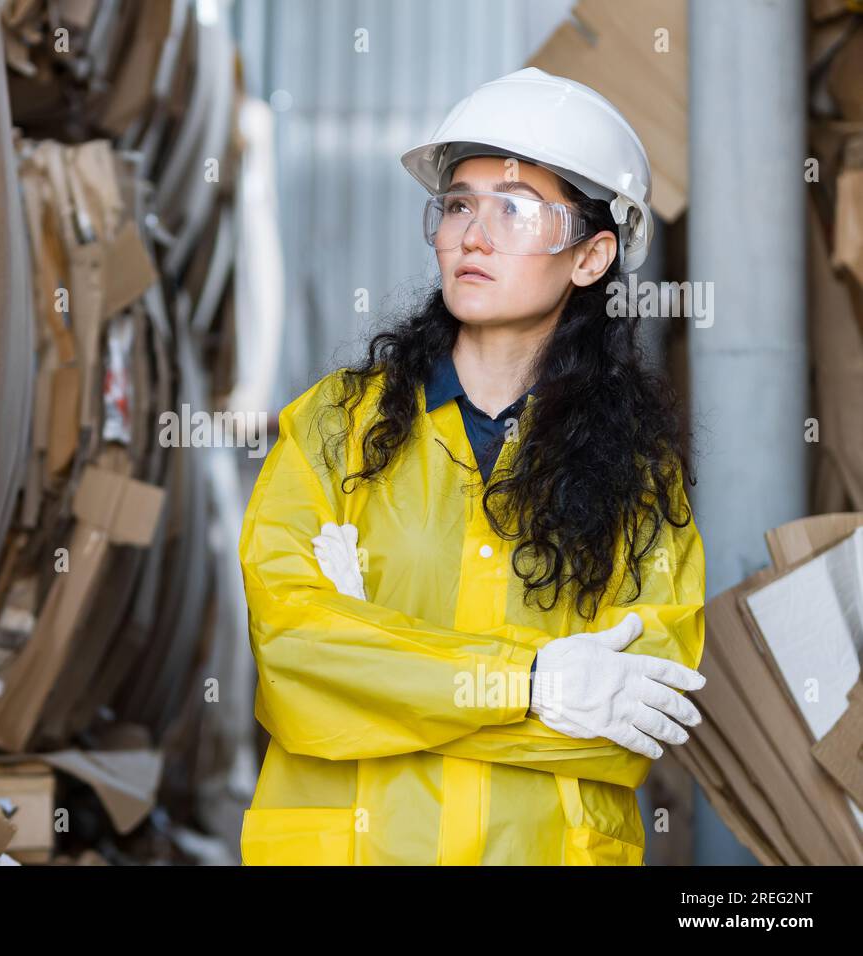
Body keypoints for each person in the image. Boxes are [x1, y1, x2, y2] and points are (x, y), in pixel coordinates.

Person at [238, 68, 706, 866]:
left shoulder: (637, 472)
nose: (471, 236)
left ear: (591, 257)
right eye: (457, 204)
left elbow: (629, 729)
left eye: (515, 209)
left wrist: (383, 662)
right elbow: (296, 660)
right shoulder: (333, 428)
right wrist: (533, 685)